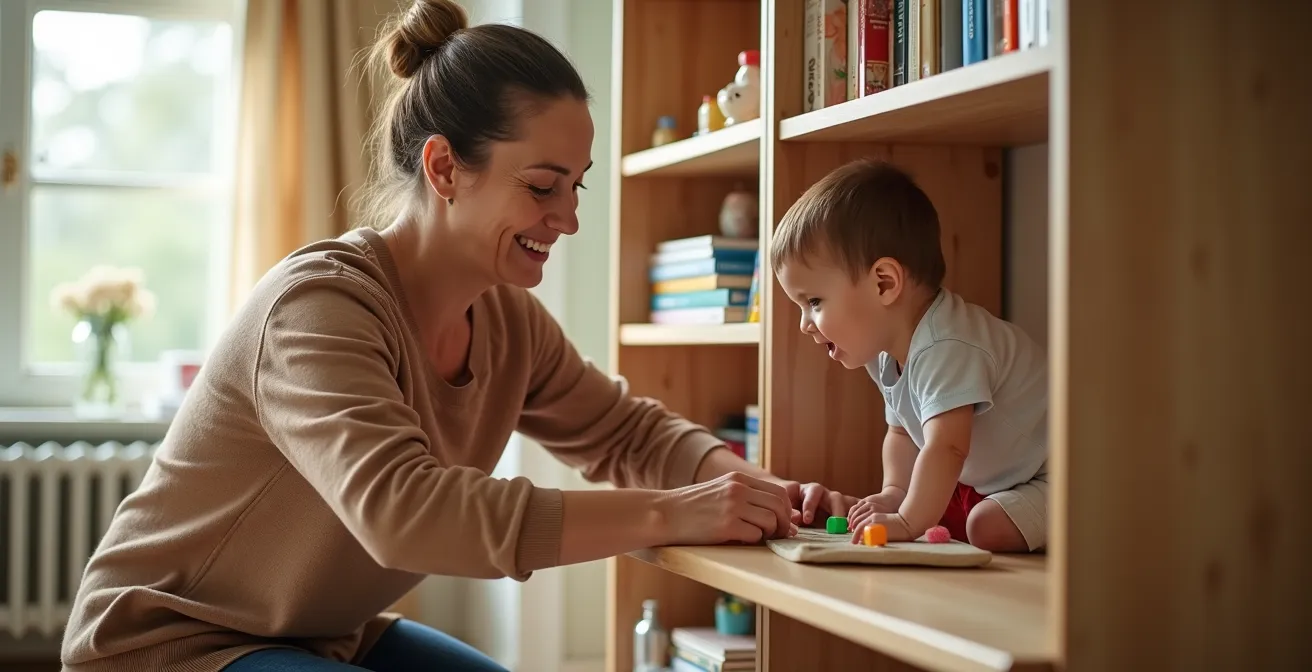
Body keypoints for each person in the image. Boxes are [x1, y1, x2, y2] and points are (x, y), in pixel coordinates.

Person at [58, 1, 857, 671]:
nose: (569, 218)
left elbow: (622, 430)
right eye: (543, 186)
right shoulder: (318, 308)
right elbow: (404, 511)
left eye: (574, 187)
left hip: (317, 636)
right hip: (172, 643)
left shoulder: (505, 320)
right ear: (444, 169)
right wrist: (670, 513)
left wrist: (754, 491)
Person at [768, 158, 1049, 553]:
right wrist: (895, 493)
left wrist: (907, 520)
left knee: (985, 526)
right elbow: (902, 432)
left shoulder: (946, 346)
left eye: (814, 301)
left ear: (884, 283)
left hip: (1053, 476)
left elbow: (947, 447)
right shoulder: (887, 352)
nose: (805, 324)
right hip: (998, 479)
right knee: (955, 508)